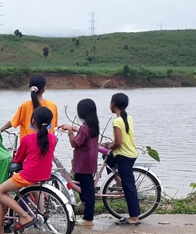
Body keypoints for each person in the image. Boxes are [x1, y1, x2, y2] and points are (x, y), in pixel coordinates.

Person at [0, 106, 57, 234]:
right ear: (50, 122)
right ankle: (30, 214)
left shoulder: (27, 139)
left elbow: (18, 159)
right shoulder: (53, 138)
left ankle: (24, 216)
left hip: (28, 176)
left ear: (33, 121)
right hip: (44, 175)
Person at [59, 99, 100, 227]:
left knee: (88, 191)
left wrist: (70, 131)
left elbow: (74, 143)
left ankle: (88, 218)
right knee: (81, 183)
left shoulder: (85, 128)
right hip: (89, 163)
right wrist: (76, 130)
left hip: (83, 164)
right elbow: (84, 135)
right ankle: (84, 202)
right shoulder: (92, 126)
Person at [102, 93, 140, 225]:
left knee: (129, 186)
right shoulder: (128, 118)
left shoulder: (117, 121)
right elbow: (122, 138)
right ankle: (117, 181)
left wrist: (112, 145)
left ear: (113, 104)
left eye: (110, 102)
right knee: (107, 158)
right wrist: (110, 145)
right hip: (131, 153)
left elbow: (118, 143)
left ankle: (134, 217)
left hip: (124, 155)